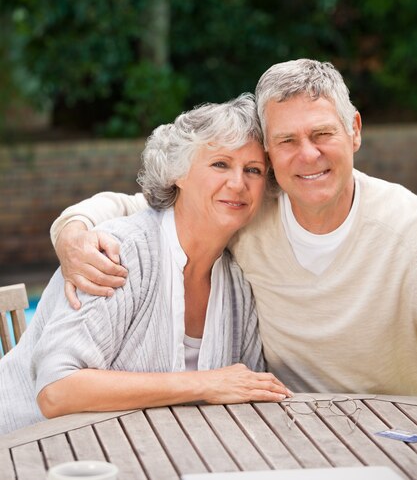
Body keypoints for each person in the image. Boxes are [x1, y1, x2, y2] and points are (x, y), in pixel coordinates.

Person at [51, 59, 417, 395]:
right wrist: (73, 231)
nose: (307, 154)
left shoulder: (405, 228)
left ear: (354, 130)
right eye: (287, 140)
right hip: (287, 425)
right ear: (271, 154)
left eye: (322, 134)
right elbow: (148, 209)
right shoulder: (247, 213)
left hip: (389, 430)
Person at [0, 94, 291, 435]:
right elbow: (57, 391)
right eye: (220, 164)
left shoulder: (238, 286)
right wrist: (203, 384)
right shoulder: (118, 254)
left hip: (148, 453)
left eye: (253, 170)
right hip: (28, 451)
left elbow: (247, 390)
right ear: (177, 173)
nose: (238, 183)